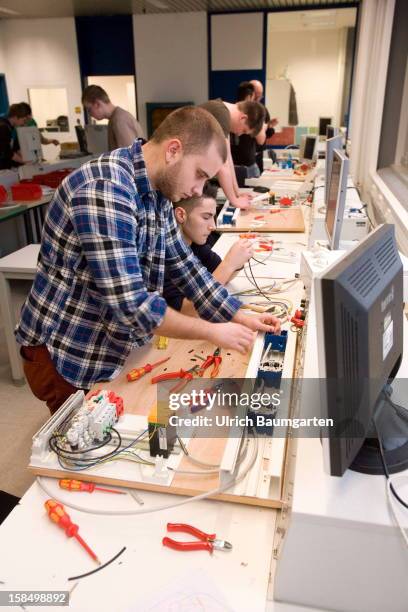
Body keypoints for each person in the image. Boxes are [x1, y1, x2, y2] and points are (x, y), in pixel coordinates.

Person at [15, 106, 279, 414]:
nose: (197, 189)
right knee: (83, 447)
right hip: (66, 351)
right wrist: (213, 330)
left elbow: (185, 267)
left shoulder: (158, 191)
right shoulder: (107, 189)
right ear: (173, 150)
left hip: (107, 342)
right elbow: (131, 305)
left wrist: (237, 315)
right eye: (199, 174)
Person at [163, 183, 254, 314]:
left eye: (213, 217)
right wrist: (229, 264)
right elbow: (186, 311)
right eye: (206, 217)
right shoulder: (164, 255)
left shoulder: (196, 244)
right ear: (181, 215)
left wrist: (239, 261)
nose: (213, 226)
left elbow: (224, 276)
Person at [199, 98, 265, 209]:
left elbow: (229, 158)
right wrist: (234, 201)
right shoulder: (220, 114)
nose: (239, 134)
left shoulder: (223, 114)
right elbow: (222, 163)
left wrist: (237, 193)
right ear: (243, 118)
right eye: (244, 130)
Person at [82, 85, 144, 150]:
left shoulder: (120, 120)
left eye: (89, 109)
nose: (90, 114)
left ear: (97, 104)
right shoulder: (115, 118)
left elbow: (130, 157)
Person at [0, 103, 29, 169]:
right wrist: (25, 162)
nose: (24, 123)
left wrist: (27, 159)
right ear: (16, 117)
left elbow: (15, 147)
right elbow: (8, 152)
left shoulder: (12, 128)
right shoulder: (3, 127)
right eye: (23, 120)